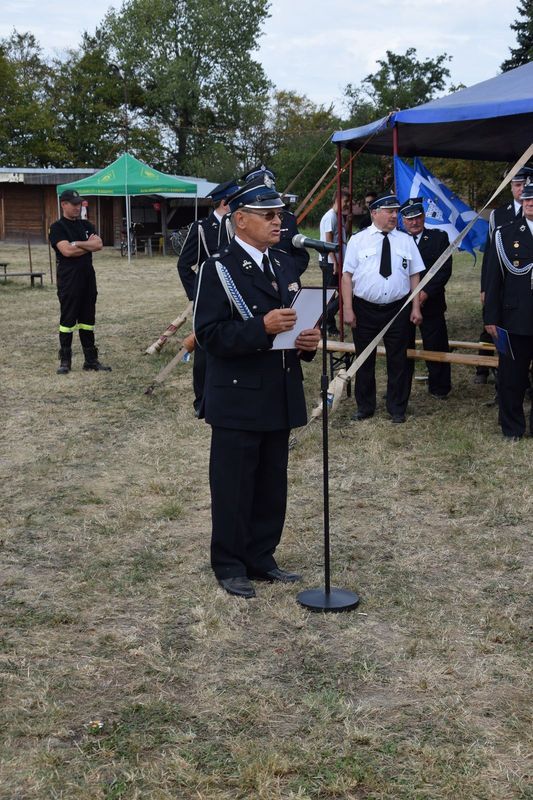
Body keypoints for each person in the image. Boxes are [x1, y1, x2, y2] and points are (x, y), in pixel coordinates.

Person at [193, 174, 320, 598]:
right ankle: (229, 563)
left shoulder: (284, 263)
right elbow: (210, 335)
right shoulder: (219, 268)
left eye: (279, 215)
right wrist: (260, 328)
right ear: (241, 219)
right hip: (238, 393)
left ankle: (262, 557)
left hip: (278, 389)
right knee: (234, 484)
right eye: (267, 216)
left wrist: (304, 342)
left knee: (271, 482)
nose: (278, 222)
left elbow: (291, 325)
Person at [341, 193, 425, 423]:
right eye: (389, 211)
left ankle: (397, 407)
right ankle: (365, 406)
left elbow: (415, 275)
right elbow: (347, 276)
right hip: (365, 308)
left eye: (396, 212)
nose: (394, 216)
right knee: (364, 359)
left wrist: (415, 307)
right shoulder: (358, 240)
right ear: (374, 213)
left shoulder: (406, 240)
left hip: (398, 308)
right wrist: (348, 308)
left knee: (399, 360)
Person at [177, 179, 240, 412]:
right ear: (225, 202)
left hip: (236, 297)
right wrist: (198, 294)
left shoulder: (238, 226)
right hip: (211, 299)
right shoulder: (202, 227)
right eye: (235, 202)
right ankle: (201, 399)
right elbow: (184, 265)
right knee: (204, 348)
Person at [483, 181, 533, 441]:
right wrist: (491, 317)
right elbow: (493, 278)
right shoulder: (505, 234)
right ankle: (512, 427)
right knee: (512, 378)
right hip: (515, 317)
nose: (530, 203)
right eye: (526, 199)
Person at [476, 165, 533, 384]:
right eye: (515, 185)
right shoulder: (499, 215)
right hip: (506, 289)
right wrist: (485, 288)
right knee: (499, 333)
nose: (519, 190)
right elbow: (491, 255)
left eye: (522, 185)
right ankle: (486, 371)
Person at [49, 189, 110, 374]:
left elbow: (98, 245)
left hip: (87, 279)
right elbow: (66, 251)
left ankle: (91, 360)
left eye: (79, 204)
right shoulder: (57, 227)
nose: (78, 207)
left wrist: (76, 243)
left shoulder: (86, 225)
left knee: (87, 320)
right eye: (74, 204)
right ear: (63, 204)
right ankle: (65, 361)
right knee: (67, 321)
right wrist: (86, 245)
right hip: (69, 280)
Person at [399, 197, 452, 399]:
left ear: (424, 217)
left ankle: (440, 387)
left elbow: (444, 269)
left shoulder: (439, 238)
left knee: (436, 344)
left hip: (432, 301)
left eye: (418, 217)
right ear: (403, 221)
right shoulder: (398, 240)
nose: (414, 222)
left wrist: (424, 293)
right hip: (403, 303)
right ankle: (400, 388)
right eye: (410, 219)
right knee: (402, 347)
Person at [240, 165, 310, 276]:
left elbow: (300, 255)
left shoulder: (288, 218)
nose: (277, 221)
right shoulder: (235, 220)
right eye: (268, 216)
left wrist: (287, 274)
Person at [319, 189, 350, 335]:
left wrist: (348, 221)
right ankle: (323, 319)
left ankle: (328, 324)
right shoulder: (330, 217)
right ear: (337, 199)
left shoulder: (339, 217)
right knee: (334, 294)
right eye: (345, 201)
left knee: (341, 293)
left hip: (339, 260)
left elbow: (344, 236)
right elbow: (328, 241)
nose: (347, 204)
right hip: (331, 263)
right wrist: (335, 263)